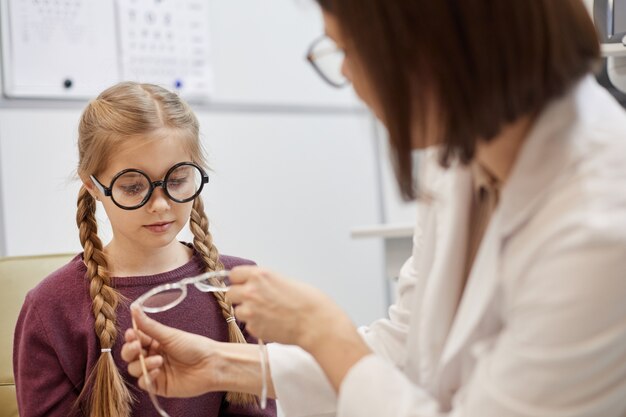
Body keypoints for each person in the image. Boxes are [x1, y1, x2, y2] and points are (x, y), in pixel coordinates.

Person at [122, 1, 626, 416]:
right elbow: (410, 352)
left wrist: (323, 330)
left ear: (439, 45)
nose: (345, 70)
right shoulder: (462, 155)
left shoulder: (601, 225)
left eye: (349, 48)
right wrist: (220, 365)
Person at [13, 82, 277, 417]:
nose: (161, 205)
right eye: (134, 187)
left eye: (178, 180)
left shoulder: (239, 284)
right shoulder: (50, 307)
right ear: (93, 185)